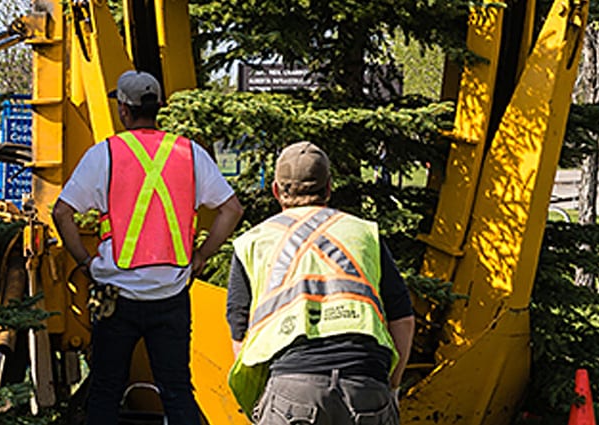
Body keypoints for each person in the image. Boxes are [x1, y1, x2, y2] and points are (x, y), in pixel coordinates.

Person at [52, 70, 243, 424]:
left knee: (106, 390)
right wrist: (201, 256)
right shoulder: (189, 153)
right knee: (176, 390)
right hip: (171, 297)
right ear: (158, 107)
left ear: (124, 110)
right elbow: (231, 209)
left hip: (116, 298)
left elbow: (62, 213)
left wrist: (85, 263)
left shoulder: (104, 154)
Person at [226, 141, 415, 424]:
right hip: (366, 384)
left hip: (292, 388)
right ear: (328, 188)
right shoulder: (365, 234)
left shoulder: (252, 242)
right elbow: (403, 319)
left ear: (276, 190)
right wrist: (393, 384)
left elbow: (240, 333)